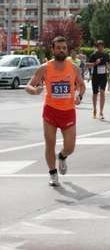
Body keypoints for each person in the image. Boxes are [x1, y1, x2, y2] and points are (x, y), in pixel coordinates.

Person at [24, 36, 86, 186]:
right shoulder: (45, 68)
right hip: (50, 111)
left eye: (64, 48)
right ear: (53, 50)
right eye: (58, 48)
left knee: (70, 147)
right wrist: (34, 91)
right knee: (49, 143)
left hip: (68, 111)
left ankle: (62, 156)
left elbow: (82, 85)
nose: (61, 50)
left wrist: (80, 95)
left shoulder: (73, 67)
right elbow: (28, 85)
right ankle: (52, 173)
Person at [87, 40, 110, 120]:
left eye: (101, 46)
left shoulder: (106, 55)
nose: (100, 48)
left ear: (103, 47)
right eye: (99, 46)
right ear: (97, 47)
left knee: (102, 92)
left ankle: (101, 111)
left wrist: (108, 68)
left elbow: (108, 63)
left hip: (103, 76)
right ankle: (94, 110)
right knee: (95, 94)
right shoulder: (94, 55)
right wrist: (95, 63)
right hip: (95, 76)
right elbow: (87, 65)